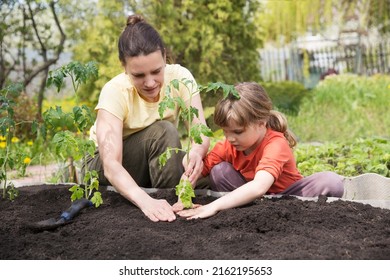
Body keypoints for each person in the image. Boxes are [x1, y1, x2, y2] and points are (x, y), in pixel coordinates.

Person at [84, 14, 209, 222]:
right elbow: (111, 164)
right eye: (139, 75)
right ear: (124, 67)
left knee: (207, 174)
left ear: (165, 57)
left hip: (150, 161)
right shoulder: (114, 91)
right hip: (105, 168)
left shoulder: (180, 78)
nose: (150, 82)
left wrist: (197, 151)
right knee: (164, 133)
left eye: (156, 71)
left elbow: (200, 132)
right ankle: (162, 202)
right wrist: (146, 201)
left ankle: (171, 207)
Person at [177, 82, 344, 219]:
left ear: (261, 123)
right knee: (219, 171)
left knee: (331, 181)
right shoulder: (229, 146)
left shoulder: (276, 144)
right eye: (225, 132)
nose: (230, 138)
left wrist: (212, 207)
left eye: (238, 131)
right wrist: (183, 194)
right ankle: (240, 214)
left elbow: (259, 187)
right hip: (252, 203)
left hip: (289, 197)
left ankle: (301, 215)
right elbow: (194, 170)